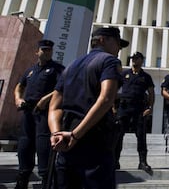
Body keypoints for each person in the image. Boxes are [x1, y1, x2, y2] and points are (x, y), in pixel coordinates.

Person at [48, 27, 129, 188]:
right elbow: (106, 98)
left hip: (66, 142)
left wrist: (56, 134)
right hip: (94, 141)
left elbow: (54, 106)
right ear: (102, 40)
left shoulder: (71, 66)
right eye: (117, 43)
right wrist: (76, 135)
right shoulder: (109, 61)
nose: (119, 49)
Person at [14, 39, 65, 189]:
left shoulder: (57, 69)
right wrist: (18, 98)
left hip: (44, 113)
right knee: (24, 145)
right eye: (44, 49)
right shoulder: (30, 70)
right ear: (37, 52)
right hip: (28, 112)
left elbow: (61, 87)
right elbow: (19, 85)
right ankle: (22, 178)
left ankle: (46, 180)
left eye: (49, 50)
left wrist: (45, 99)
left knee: (43, 146)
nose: (47, 52)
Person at [114, 51, 154, 173]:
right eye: (133, 58)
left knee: (141, 136)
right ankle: (115, 161)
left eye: (137, 58)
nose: (134, 60)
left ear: (142, 60)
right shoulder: (124, 74)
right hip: (124, 108)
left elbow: (151, 93)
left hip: (139, 109)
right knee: (118, 135)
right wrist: (113, 106)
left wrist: (150, 108)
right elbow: (114, 89)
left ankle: (142, 162)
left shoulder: (146, 77)